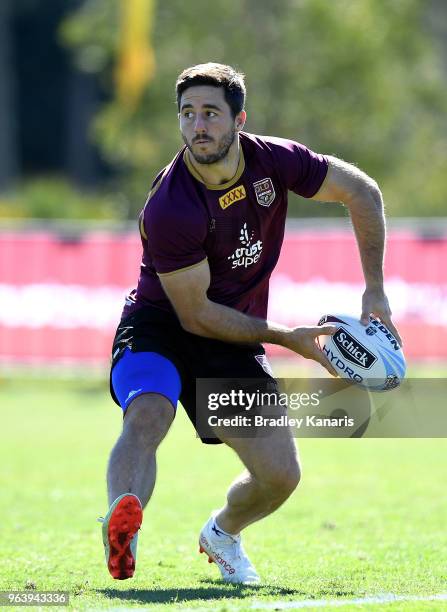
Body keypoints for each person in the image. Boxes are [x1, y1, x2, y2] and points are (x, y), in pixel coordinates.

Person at [100, 63, 402, 583]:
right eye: (188, 114)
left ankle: (221, 532)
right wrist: (290, 339)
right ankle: (121, 518)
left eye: (211, 114)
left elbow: (363, 192)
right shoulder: (171, 205)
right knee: (149, 413)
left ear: (240, 119)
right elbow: (195, 315)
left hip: (231, 337)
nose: (198, 126)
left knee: (280, 477)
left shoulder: (275, 161)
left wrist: (374, 288)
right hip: (161, 327)